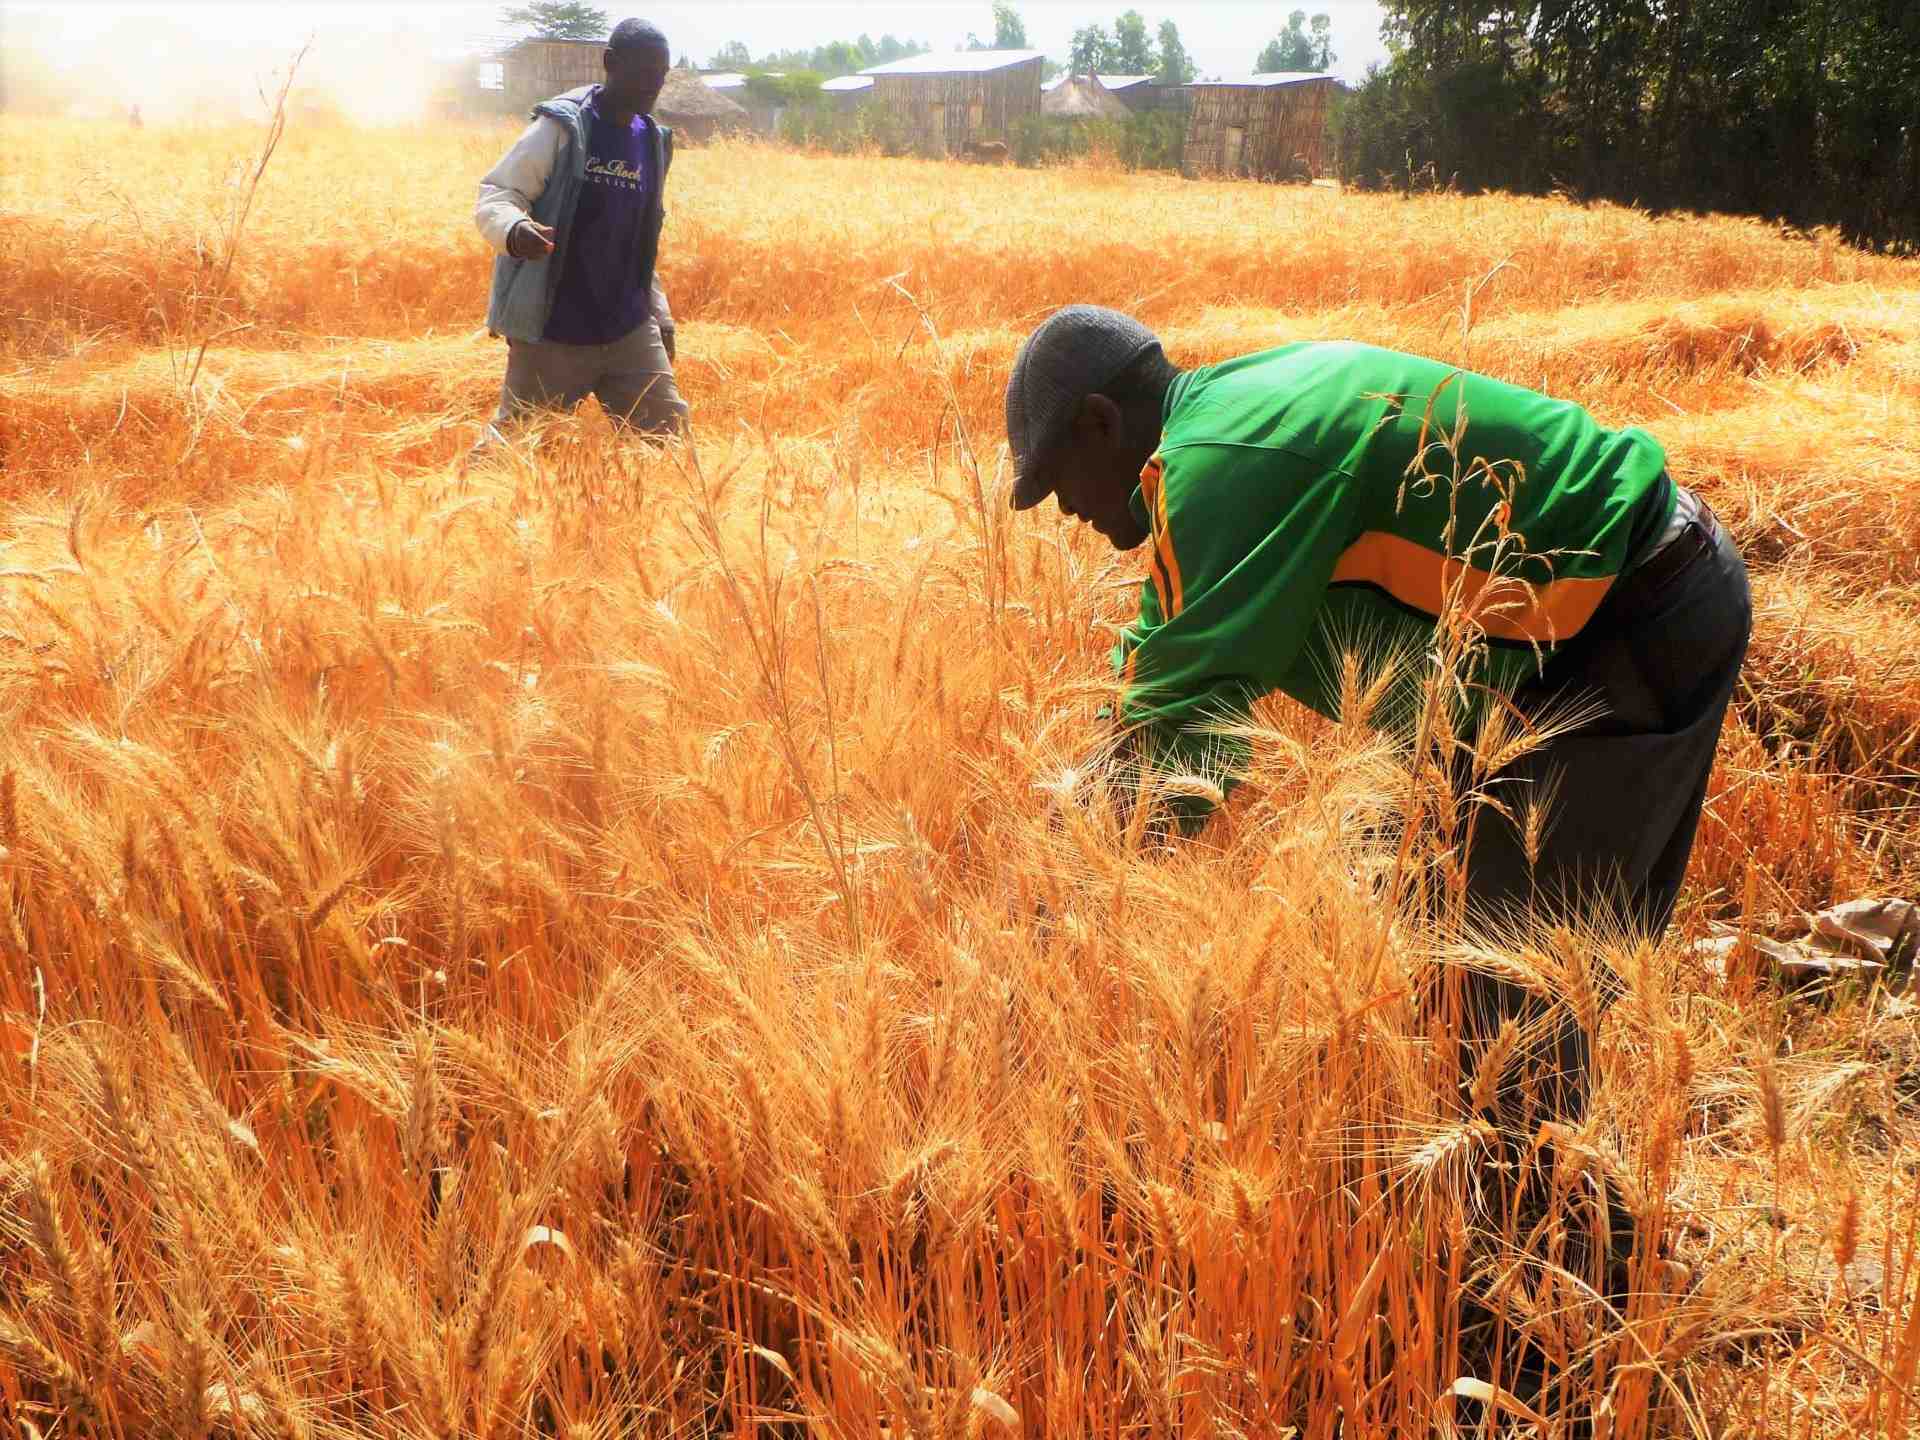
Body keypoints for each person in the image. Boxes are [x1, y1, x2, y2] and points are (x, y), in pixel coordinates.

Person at [1005, 306, 1752, 1132]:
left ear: (1100, 423)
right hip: (1573, 629)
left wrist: (1058, 920)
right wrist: (1074, 825)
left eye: (1056, 481)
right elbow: (1159, 670)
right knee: (1412, 905)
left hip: (1624, 612)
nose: (1064, 510)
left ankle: (1553, 1210)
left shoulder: (1221, 465)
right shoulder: (1226, 423)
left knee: (1500, 996)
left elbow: (1176, 741)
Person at [472, 18, 688, 443]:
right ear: (610, 62)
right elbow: (498, 193)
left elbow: (637, 241)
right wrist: (515, 229)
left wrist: (660, 315)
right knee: (512, 449)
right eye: (644, 72)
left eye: (661, 75)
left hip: (628, 329)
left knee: (670, 446)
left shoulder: (651, 142)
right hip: (556, 331)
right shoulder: (564, 128)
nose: (654, 85)